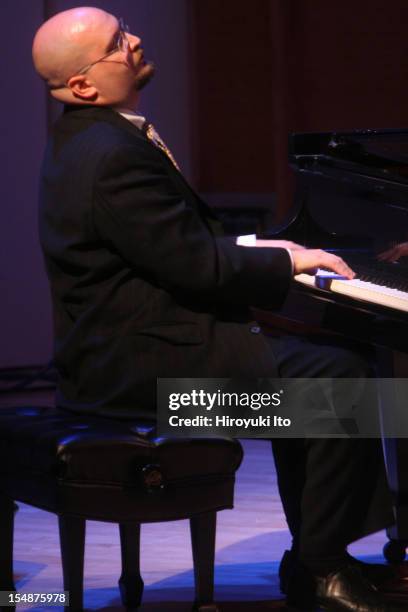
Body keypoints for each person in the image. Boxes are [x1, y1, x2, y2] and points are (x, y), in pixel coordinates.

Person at [32, 8, 399, 611]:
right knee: (340, 380)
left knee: (332, 361)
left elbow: (167, 246)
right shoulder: (110, 154)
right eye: (117, 42)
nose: (135, 40)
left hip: (130, 360)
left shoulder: (86, 139)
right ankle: (323, 567)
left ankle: (315, 552)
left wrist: (266, 248)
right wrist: (289, 264)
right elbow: (193, 266)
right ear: (83, 86)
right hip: (153, 387)